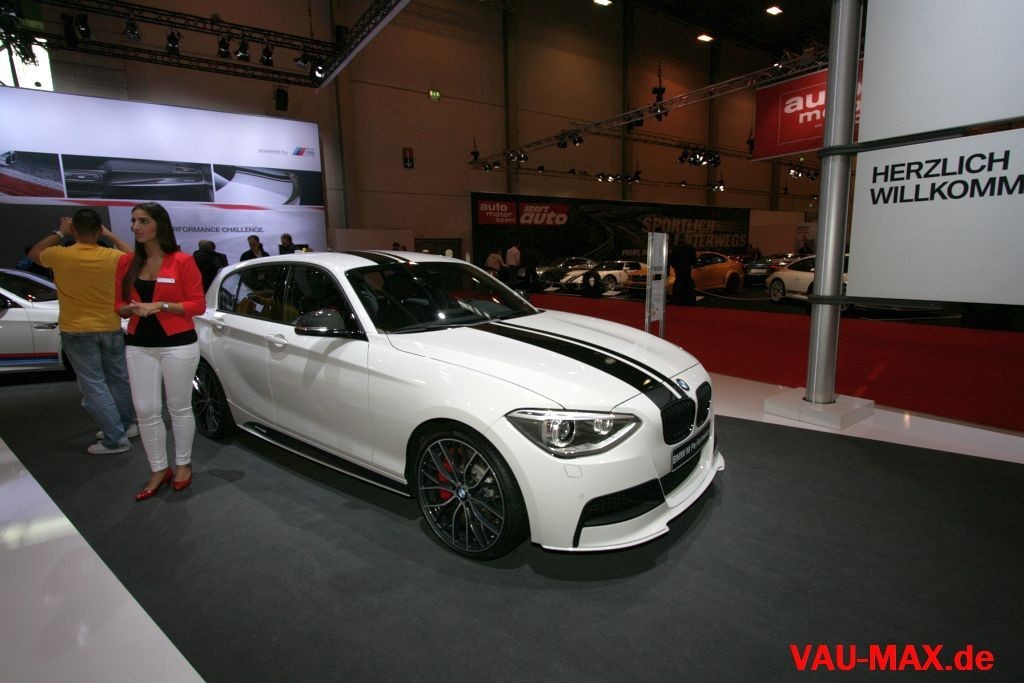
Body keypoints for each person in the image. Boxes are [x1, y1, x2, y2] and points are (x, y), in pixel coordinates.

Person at [115, 202, 207, 501]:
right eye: (133, 221)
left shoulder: (182, 261)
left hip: (178, 343)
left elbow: (198, 305)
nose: (136, 227)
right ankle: (158, 468)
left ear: (160, 225)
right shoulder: (126, 262)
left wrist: (161, 305)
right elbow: (117, 303)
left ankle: (183, 464)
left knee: (179, 407)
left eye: (143, 221)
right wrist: (128, 309)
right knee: (145, 410)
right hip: (139, 343)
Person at [28, 210, 137, 454]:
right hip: (110, 326)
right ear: (99, 230)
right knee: (118, 380)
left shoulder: (60, 254)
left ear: (73, 229)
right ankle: (126, 425)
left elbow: (34, 253)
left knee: (94, 385)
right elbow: (133, 257)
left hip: (77, 330)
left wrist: (59, 232)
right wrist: (109, 235)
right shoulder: (113, 256)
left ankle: (116, 439)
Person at [668, 238, 698, 305]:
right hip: (687, 269)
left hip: (678, 269)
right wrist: (690, 265)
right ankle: (688, 301)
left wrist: (676, 266)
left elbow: (671, 260)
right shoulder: (690, 248)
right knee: (688, 283)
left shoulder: (675, 249)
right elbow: (694, 259)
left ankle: (677, 300)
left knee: (678, 283)